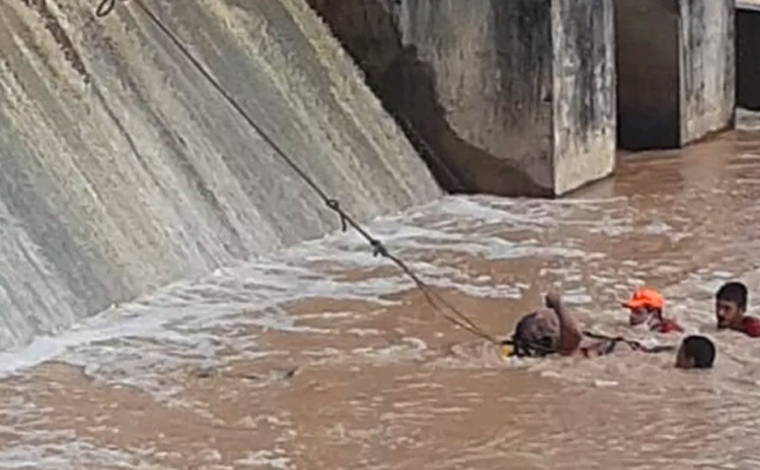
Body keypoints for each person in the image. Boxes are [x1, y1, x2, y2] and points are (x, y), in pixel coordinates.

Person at [504, 292, 677, 359]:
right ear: (549, 335)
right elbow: (573, 334)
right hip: (640, 356)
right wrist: (558, 304)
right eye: (552, 319)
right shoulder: (567, 345)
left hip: (639, 350)